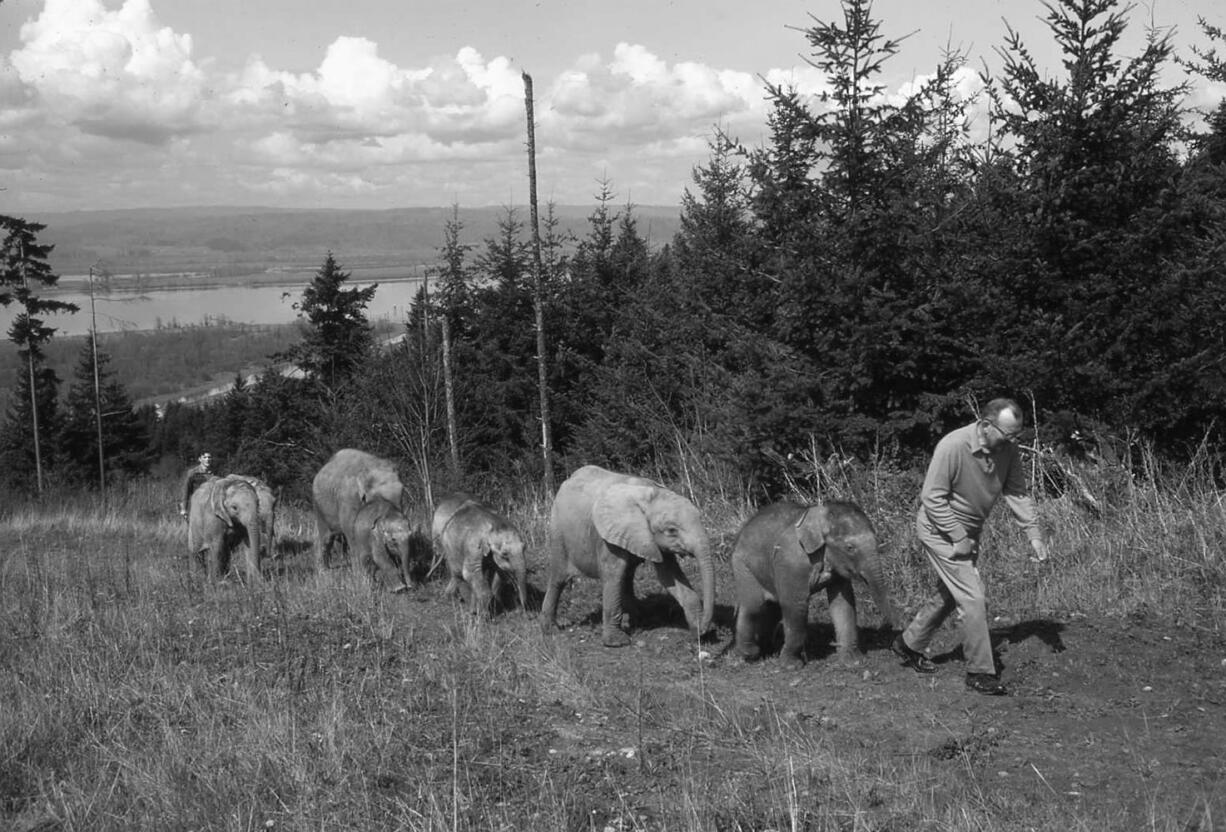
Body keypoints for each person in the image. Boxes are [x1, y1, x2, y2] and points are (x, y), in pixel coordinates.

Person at [892, 398, 1051, 696]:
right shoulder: (953, 446)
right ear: (986, 425)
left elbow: (1016, 491)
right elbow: (933, 497)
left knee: (952, 593)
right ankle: (980, 672)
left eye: (1017, 434)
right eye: (1008, 434)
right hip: (939, 529)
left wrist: (1034, 534)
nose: (1013, 441)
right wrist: (957, 535)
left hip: (969, 531)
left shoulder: (1008, 449)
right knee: (973, 597)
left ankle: (909, 643)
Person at [178, 452, 213, 520]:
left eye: (209, 457)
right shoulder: (193, 473)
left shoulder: (214, 473)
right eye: (205, 457)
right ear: (200, 459)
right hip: (196, 507)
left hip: (210, 508)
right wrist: (184, 508)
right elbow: (186, 490)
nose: (207, 459)